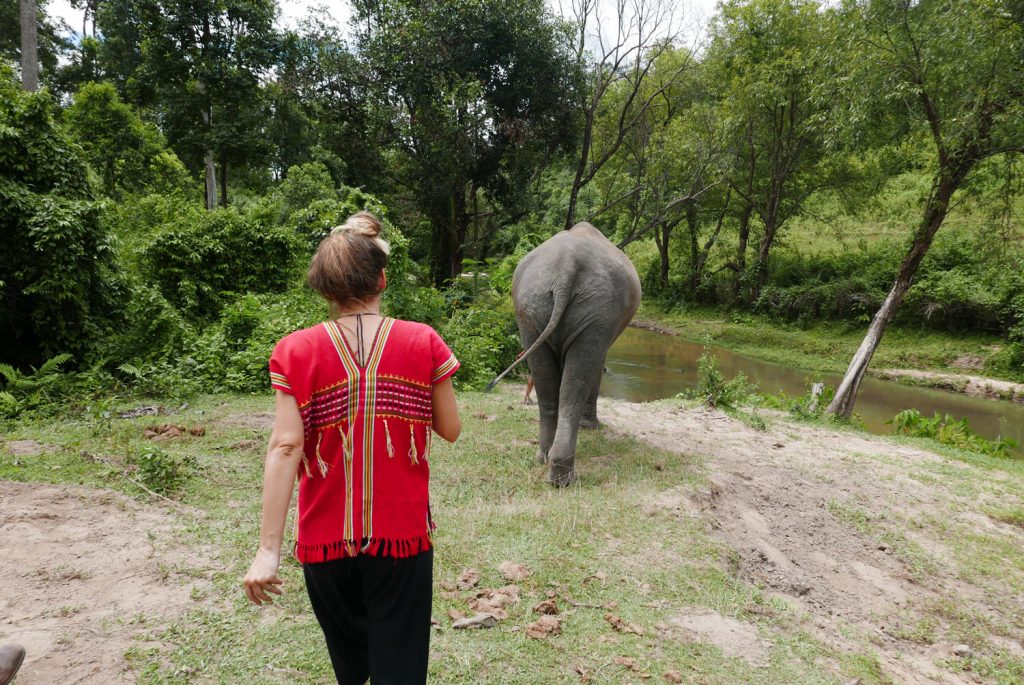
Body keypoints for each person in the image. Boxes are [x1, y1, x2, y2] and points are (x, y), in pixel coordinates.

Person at [243, 212, 461, 685]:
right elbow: (450, 429)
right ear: (382, 279)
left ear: (325, 289)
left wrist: (267, 551)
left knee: (351, 667)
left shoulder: (294, 350)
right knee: (399, 667)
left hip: (324, 549)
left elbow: (285, 446)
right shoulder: (423, 341)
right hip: (401, 543)